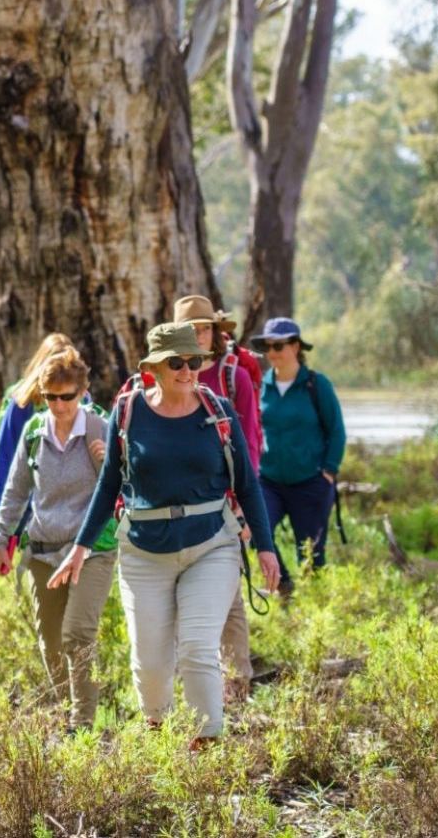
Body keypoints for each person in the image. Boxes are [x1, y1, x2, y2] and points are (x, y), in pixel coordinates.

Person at [51, 322, 282, 745]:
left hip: (212, 546)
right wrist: (80, 548)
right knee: (152, 663)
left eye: (194, 360)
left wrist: (265, 548)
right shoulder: (128, 412)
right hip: (143, 553)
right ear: (154, 367)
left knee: (197, 648)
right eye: (177, 362)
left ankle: (207, 743)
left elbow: (247, 485)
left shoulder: (217, 412)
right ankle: (158, 733)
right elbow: (108, 486)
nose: (188, 369)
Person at [0, 345, 116, 730]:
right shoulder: (33, 433)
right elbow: (15, 492)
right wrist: (1, 539)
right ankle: (66, 713)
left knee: (77, 634)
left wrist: (109, 457)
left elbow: (125, 486)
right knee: (51, 644)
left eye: (67, 397)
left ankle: (83, 724)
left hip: (92, 549)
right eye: (50, 397)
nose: (59, 406)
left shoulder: (99, 428)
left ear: (82, 392)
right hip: (43, 549)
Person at [173, 295, 264, 702]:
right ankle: (186, 682)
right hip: (174, 506)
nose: (198, 336)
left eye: (205, 328)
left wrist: (245, 502)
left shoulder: (233, 378)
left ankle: (236, 681)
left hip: (226, 503)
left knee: (228, 595)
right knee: (176, 591)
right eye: (190, 329)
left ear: (215, 333)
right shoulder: (163, 378)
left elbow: (253, 445)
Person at [252, 315, 348, 578]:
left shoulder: (317, 385)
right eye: (267, 347)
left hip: (310, 484)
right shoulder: (260, 386)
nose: (272, 353)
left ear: (295, 347)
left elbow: (337, 431)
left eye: (278, 346)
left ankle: (312, 607)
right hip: (269, 482)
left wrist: (328, 472)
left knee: (311, 554)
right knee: (256, 533)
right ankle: (284, 587)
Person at [0, 332, 80, 515]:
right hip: (31, 510)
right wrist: (0, 524)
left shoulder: (82, 399)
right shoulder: (22, 404)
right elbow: (3, 463)